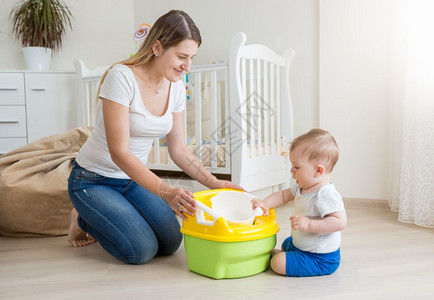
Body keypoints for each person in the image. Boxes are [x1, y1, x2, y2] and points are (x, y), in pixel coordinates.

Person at [67, 10, 241, 264]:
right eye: (182, 56)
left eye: (192, 57)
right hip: (92, 179)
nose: (187, 66)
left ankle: (111, 212)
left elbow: (179, 150)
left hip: (132, 180)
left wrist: (214, 183)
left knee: (171, 241)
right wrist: (166, 191)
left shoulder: (177, 87)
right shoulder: (121, 77)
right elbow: (120, 152)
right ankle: (82, 217)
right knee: (140, 250)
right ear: (157, 47)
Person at [252, 129, 347, 277]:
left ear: (318, 170)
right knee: (285, 244)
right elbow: (283, 196)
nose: (291, 170)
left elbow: (339, 222)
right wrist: (265, 203)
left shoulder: (326, 193)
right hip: (303, 246)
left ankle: (283, 258)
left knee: (277, 263)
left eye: (296, 167)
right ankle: (288, 255)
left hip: (320, 258)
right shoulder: (302, 187)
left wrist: (309, 225)